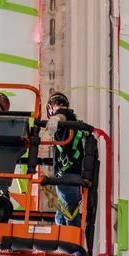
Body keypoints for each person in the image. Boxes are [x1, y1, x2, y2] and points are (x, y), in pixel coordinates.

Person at [45, 91, 86, 226]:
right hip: (72, 173)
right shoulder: (73, 118)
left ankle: (73, 246)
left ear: (51, 107)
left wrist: (54, 120)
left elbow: (60, 116)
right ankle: (66, 243)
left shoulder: (63, 113)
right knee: (63, 214)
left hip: (66, 174)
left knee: (69, 213)